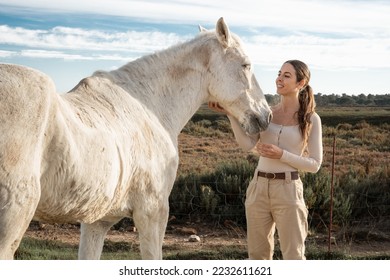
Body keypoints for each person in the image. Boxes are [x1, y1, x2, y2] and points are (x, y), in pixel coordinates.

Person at [209, 60, 323, 260]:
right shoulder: (266, 112)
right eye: (279, 73)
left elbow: (315, 164)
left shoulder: (311, 118)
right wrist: (230, 115)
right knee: (257, 256)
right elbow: (247, 144)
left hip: (288, 191)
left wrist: (281, 155)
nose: (279, 78)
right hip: (258, 188)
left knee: (294, 256)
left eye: (287, 75)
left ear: (301, 83)